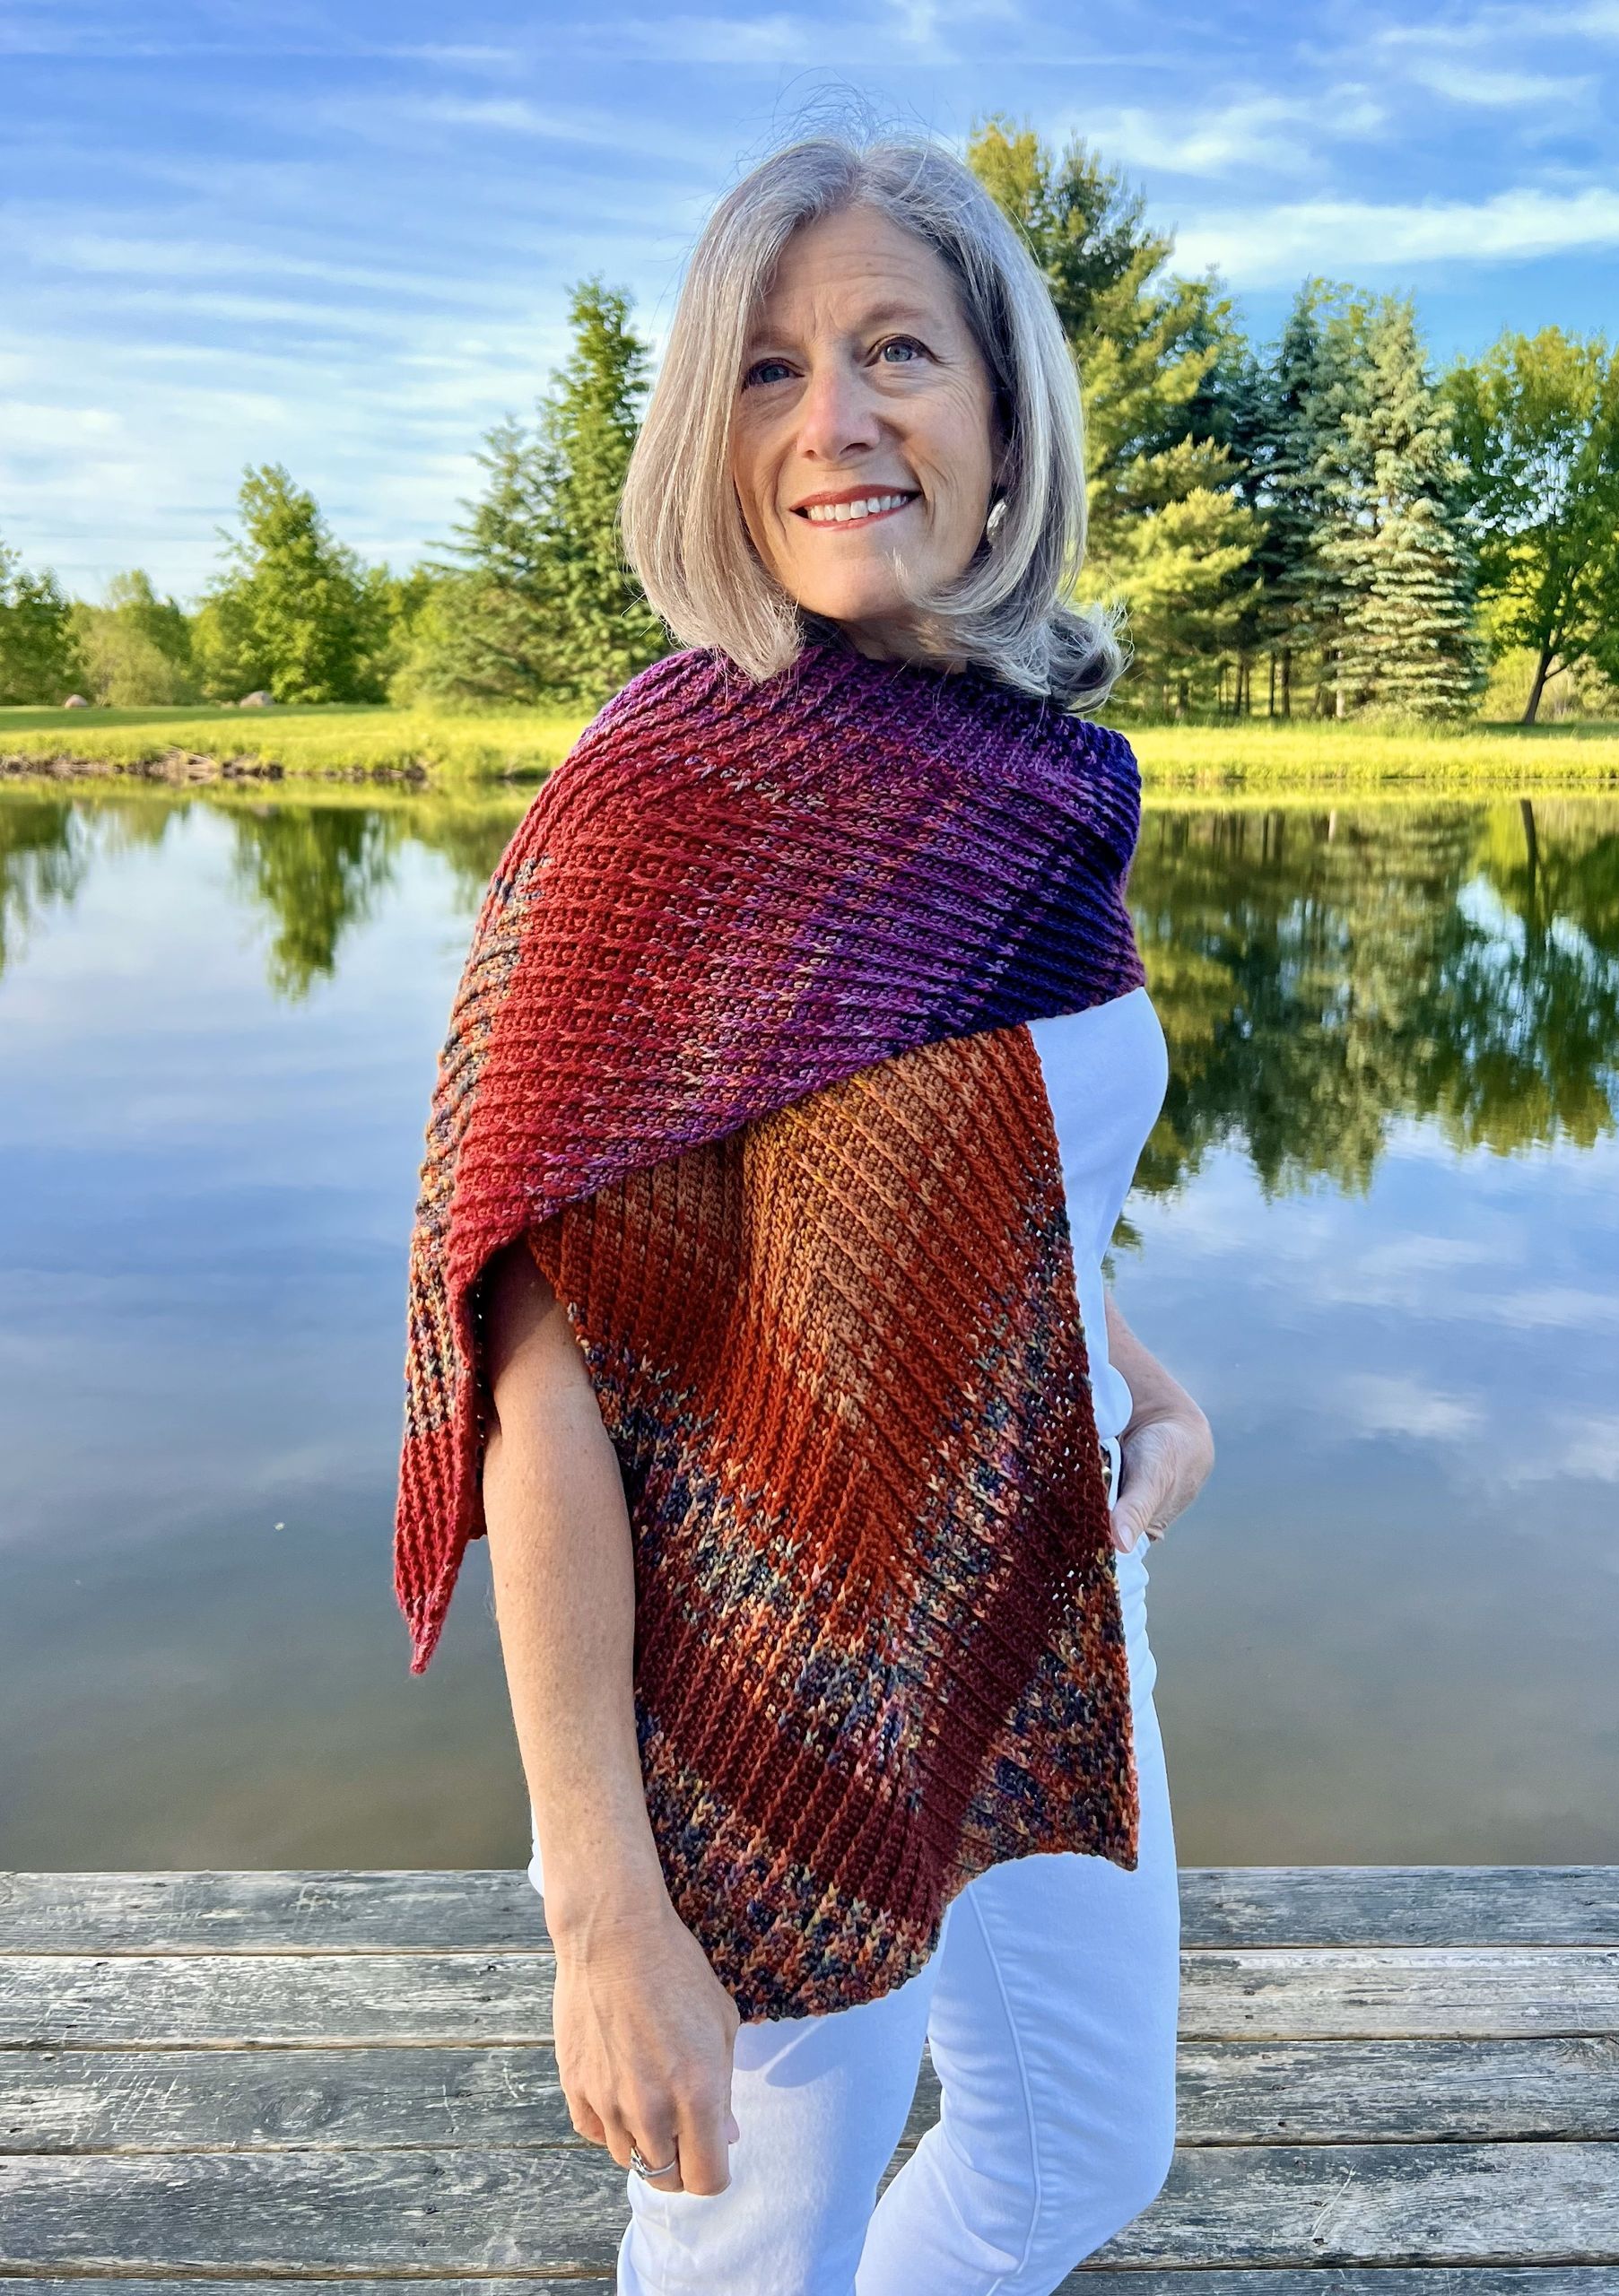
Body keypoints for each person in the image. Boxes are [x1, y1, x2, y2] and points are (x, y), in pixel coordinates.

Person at [400, 126, 1214, 2296]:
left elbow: (994, 1172)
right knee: (755, 2255)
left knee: (1077, 2156)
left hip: (1044, 1596)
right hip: (766, 1689)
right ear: (707, 429)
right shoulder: (656, 811)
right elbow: (537, 1391)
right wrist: (603, 1906)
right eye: (768, 370)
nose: (838, 420)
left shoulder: (1050, 786)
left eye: (894, 350)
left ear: (1002, 407)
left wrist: (1128, 1369)